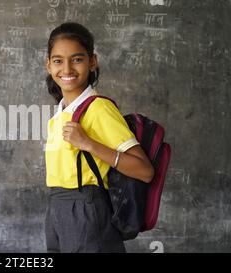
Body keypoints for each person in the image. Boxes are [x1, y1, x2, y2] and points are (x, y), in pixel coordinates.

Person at [44, 22, 155, 253]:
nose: (67, 68)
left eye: (77, 59)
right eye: (58, 60)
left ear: (92, 62)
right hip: (57, 210)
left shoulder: (99, 108)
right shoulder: (59, 115)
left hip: (86, 210)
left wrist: (88, 144)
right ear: (48, 65)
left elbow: (145, 171)